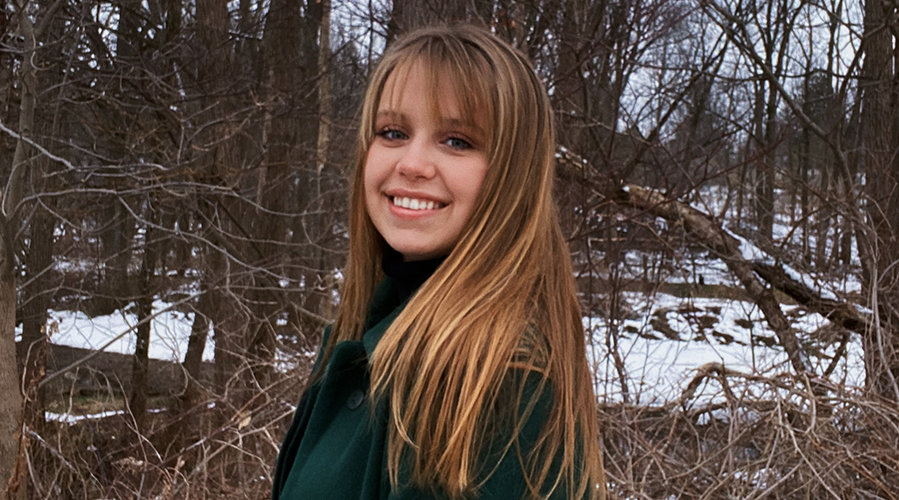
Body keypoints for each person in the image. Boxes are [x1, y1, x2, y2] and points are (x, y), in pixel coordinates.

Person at [272, 24, 607, 500]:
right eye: (393, 132)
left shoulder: (497, 382)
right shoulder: (355, 341)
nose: (411, 163)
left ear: (513, 176)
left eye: (456, 141)